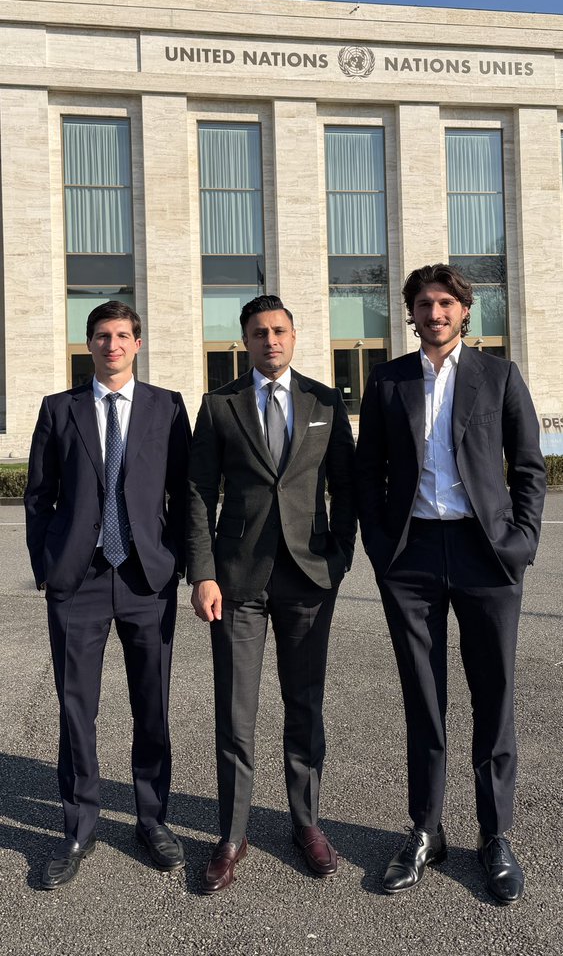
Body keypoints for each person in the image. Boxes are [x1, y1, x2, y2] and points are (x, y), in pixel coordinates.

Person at [356, 264, 546, 903]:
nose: (434, 313)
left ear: (465, 310)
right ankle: (426, 830)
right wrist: (381, 547)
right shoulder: (388, 380)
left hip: (486, 554)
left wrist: (520, 542)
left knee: (494, 695)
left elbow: (528, 466)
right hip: (411, 557)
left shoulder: (498, 375)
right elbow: (368, 470)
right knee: (423, 698)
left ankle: (495, 836)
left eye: (445, 302)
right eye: (423, 303)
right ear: (410, 313)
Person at [187, 294, 356, 893]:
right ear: (246, 341)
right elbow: (198, 492)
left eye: (279, 330)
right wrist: (202, 572)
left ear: (294, 335)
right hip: (237, 581)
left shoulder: (324, 402)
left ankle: (306, 823)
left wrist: (338, 558)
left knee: (304, 705)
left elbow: (347, 487)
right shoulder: (220, 405)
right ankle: (232, 835)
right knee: (236, 713)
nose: (271, 341)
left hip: (309, 579)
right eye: (259, 333)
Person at [25, 301, 192, 889]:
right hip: (80, 580)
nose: (112, 345)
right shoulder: (59, 408)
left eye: (122, 335)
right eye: (102, 335)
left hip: (147, 578)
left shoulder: (167, 407)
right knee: (77, 707)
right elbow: (38, 494)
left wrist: (178, 562)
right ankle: (78, 827)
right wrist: (47, 565)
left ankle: (153, 819)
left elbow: (185, 492)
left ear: (137, 343)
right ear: (89, 343)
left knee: (153, 704)